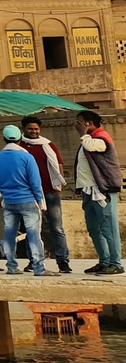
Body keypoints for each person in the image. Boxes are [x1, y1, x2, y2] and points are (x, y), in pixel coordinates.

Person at [19, 116, 73, 273]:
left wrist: (59, 187)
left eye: (36, 129)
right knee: (33, 228)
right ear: (23, 129)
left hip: (51, 191)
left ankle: (63, 261)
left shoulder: (48, 145)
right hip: (30, 194)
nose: (34, 132)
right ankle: (34, 261)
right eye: (30, 129)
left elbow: (59, 165)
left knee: (57, 228)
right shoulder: (19, 146)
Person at [0, 123, 48, 275]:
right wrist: (40, 202)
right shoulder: (26, 157)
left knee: (9, 234)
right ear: (19, 139)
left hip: (9, 202)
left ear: (4, 138)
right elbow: (35, 183)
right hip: (28, 200)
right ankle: (39, 268)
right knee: (34, 235)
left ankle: (11, 266)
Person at [75, 110, 124, 275]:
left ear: (88, 123)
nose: (77, 125)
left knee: (108, 228)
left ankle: (116, 263)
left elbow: (91, 146)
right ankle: (104, 261)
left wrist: (83, 135)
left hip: (102, 190)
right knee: (94, 227)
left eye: (79, 122)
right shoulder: (89, 139)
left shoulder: (101, 138)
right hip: (89, 190)